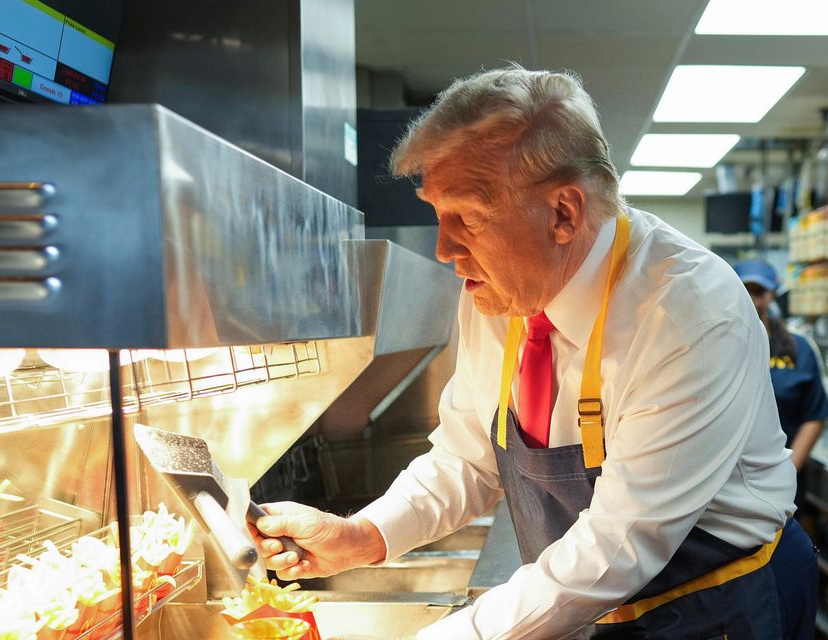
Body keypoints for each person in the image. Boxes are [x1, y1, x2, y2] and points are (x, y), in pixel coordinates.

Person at [250, 65, 817, 639]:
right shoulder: (500, 295)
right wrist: (365, 537)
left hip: (721, 605)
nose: (445, 249)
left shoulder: (687, 312)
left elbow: (620, 545)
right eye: (436, 215)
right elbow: (466, 459)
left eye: (466, 218)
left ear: (563, 214)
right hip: (600, 598)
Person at [734, 257, 828, 519]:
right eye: (746, 290)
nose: (753, 299)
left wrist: (786, 473)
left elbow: (814, 415)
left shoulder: (799, 349)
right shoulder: (721, 343)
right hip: (728, 484)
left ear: (772, 294)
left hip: (783, 484)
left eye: (759, 292)